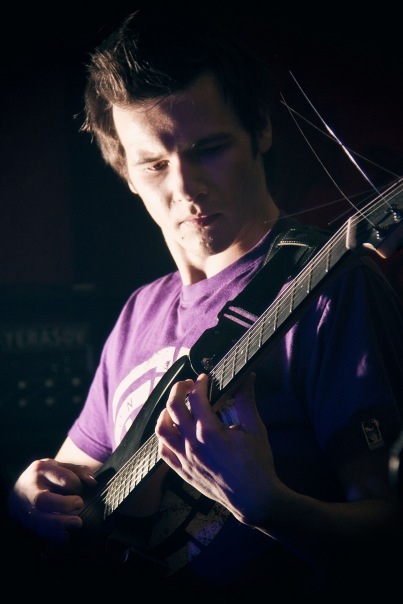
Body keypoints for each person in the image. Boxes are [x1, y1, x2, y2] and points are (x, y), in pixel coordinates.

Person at [7, 7, 403, 598]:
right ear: (125, 172)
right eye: (155, 164)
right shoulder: (140, 310)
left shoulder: (334, 285)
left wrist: (269, 505)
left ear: (260, 131)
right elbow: (77, 472)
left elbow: (391, 540)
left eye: (209, 148)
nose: (186, 187)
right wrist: (30, 495)